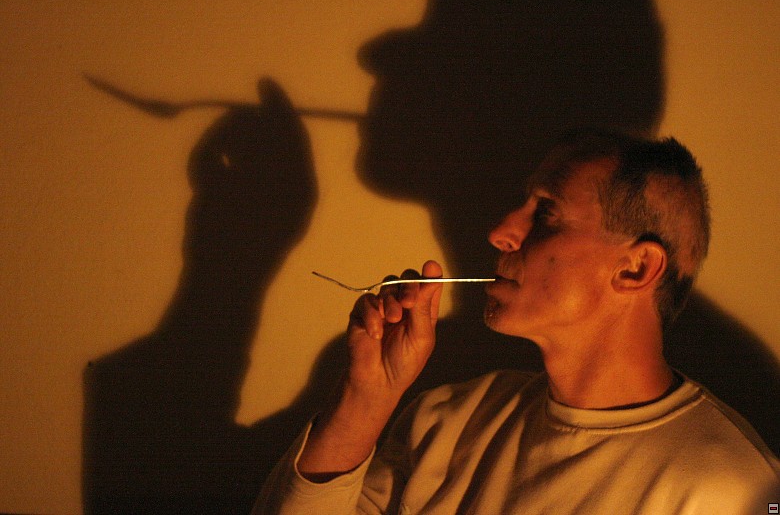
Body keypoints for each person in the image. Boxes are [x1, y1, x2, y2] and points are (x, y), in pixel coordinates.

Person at [253, 130, 778, 514]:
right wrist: (365, 398)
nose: (501, 231)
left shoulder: (732, 491)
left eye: (545, 213)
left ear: (636, 268)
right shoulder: (448, 422)